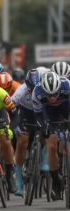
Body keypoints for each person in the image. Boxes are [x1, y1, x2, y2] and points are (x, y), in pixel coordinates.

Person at [32, 71, 70, 201]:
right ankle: (55, 181)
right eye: (49, 95)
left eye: (55, 94)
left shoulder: (67, 87)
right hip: (48, 113)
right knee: (51, 146)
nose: (52, 98)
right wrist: (43, 126)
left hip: (66, 107)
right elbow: (37, 115)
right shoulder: (37, 92)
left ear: (60, 88)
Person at [12, 69, 43, 196]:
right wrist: (13, 126)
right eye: (30, 88)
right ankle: (18, 178)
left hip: (41, 112)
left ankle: (44, 159)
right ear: (26, 85)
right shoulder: (21, 90)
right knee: (22, 142)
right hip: (26, 114)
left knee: (48, 134)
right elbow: (10, 107)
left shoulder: (43, 88)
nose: (32, 91)